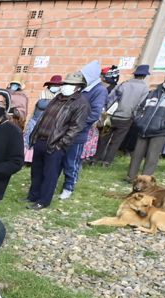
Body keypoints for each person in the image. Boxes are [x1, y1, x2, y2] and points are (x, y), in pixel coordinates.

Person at [25, 72, 89, 210]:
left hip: (55, 143)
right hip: (41, 139)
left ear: (78, 87)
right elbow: (43, 118)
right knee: (36, 171)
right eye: (66, 83)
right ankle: (33, 195)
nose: (66, 86)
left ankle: (43, 201)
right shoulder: (58, 98)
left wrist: (61, 144)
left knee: (50, 174)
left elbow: (75, 128)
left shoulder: (81, 103)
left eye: (70, 84)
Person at [58, 64, 106, 201]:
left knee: (71, 161)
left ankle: (68, 187)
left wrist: (76, 125)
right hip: (63, 130)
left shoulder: (98, 90)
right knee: (58, 159)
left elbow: (95, 113)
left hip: (77, 133)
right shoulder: (82, 88)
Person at [90, 64, 150, 167]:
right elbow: (140, 104)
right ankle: (107, 162)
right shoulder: (145, 88)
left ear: (135, 74)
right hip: (125, 119)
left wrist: (107, 111)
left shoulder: (124, 84)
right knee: (116, 141)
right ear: (144, 76)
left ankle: (95, 159)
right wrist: (133, 116)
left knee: (103, 137)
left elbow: (111, 98)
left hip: (111, 117)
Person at [23, 75, 62, 163]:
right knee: (29, 139)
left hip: (49, 124)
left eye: (57, 86)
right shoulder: (44, 93)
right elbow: (41, 105)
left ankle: (33, 160)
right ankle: (25, 159)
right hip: (36, 120)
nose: (55, 87)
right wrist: (55, 102)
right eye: (53, 85)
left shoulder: (60, 95)